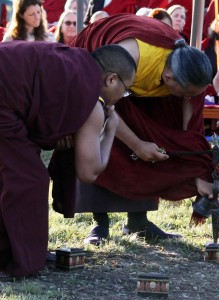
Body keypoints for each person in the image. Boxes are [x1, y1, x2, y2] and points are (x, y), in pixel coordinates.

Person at [49, 14, 219, 246]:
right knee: (101, 137)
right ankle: (100, 223)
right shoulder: (129, 54)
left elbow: (186, 134)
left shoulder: (190, 69)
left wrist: (195, 170)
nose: (187, 99)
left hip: (137, 85)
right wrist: (137, 145)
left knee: (159, 132)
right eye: (184, 93)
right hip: (97, 79)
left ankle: (138, 220)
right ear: (168, 77)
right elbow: (100, 100)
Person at [0, 41, 136, 281]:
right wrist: (111, 128)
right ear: (111, 80)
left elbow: (40, 100)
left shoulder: (75, 62)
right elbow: (89, 172)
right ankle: (24, 260)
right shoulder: (92, 100)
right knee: (29, 179)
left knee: (13, 173)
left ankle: (13, 251)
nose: (122, 98)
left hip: (7, 93)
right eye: (126, 90)